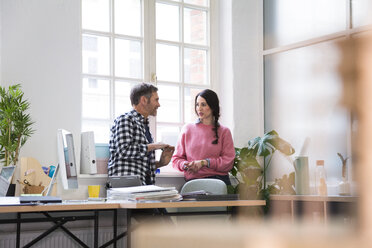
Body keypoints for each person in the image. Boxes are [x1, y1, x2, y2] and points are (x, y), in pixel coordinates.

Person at [108, 83, 175, 185]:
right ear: (144, 100)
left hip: (141, 187)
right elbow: (123, 151)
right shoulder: (125, 120)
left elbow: (140, 164)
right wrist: (154, 146)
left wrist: (161, 163)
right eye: (156, 100)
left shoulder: (144, 126)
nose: (159, 104)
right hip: (126, 187)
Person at [172, 89, 235, 185]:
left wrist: (204, 163)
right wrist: (186, 165)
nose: (199, 109)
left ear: (212, 106)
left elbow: (228, 162)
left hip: (219, 181)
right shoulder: (187, 129)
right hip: (193, 182)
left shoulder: (224, 131)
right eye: (197, 104)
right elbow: (176, 159)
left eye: (203, 105)